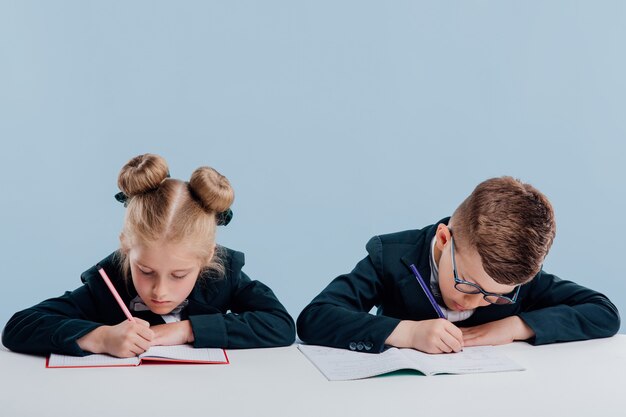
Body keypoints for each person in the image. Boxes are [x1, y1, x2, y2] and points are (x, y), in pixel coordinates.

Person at [2, 153, 295, 357]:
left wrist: (188, 330)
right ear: (126, 248)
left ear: (207, 256)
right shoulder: (109, 282)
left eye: (179, 275)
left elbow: (280, 325)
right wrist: (101, 337)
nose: (160, 291)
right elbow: (19, 326)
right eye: (145, 270)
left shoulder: (223, 276)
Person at [297, 176, 620, 354]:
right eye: (467, 283)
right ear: (443, 240)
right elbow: (315, 318)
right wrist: (407, 332)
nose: (473, 301)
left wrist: (515, 326)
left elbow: (603, 312)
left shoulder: (515, 277)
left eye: (495, 297)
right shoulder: (392, 256)